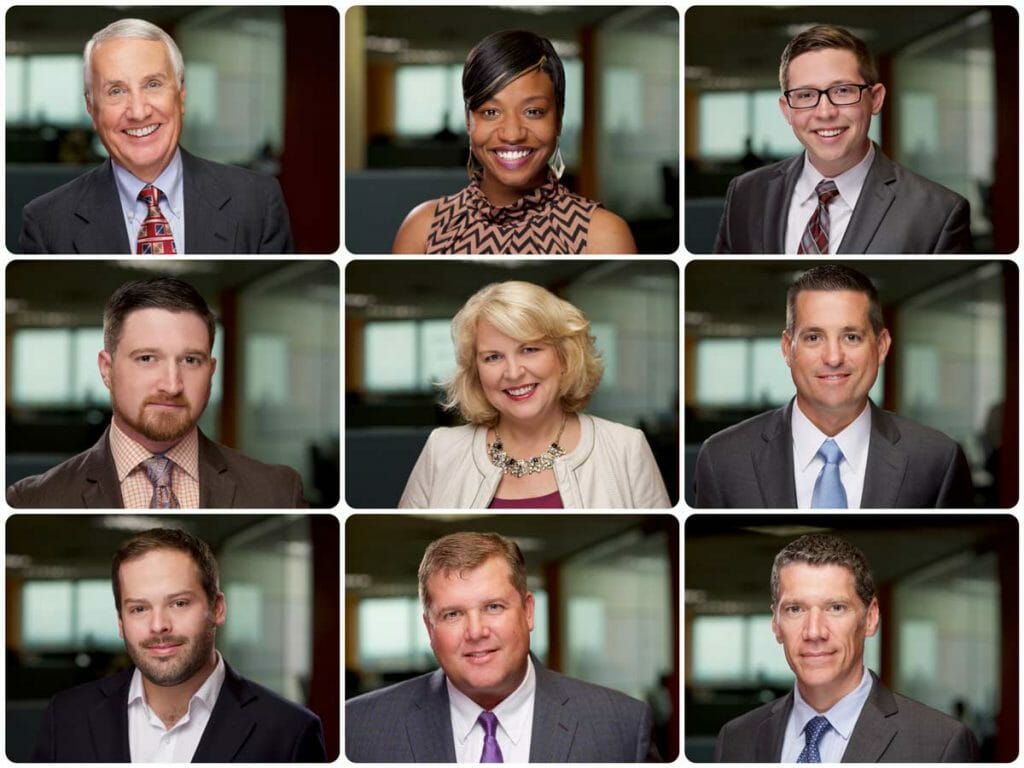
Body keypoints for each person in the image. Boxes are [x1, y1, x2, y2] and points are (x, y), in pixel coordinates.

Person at [346, 532, 659, 762]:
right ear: (430, 628)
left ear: (528, 612)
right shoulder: (359, 728)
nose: (476, 631)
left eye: (494, 607)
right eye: (453, 614)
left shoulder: (621, 726)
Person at [7, 277, 306, 508]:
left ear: (211, 371)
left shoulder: (278, 490)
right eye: (147, 359)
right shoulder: (32, 500)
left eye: (191, 360)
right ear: (106, 369)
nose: (172, 385)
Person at [32, 528, 326, 762]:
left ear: (218, 608)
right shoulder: (67, 717)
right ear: (121, 622)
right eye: (139, 609)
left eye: (179, 603)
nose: (159, 625)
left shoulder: (289, 732)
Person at [694, 264, 973, 508]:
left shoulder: (937, 459)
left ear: (881, 346)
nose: (833, 358)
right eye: (813, 337)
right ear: (787, 349)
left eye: (851, 337)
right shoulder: (723, 458)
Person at [19, 18, 293, 254]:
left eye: (153, 84)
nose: (138, 112)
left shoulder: (257, 202)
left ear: (181, 96)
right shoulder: (46, 223)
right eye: (116, 91)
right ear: (91, 109)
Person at [399, 281, 670, 508]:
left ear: (564, 357)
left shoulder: (626, 448)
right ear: (476, 371)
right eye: (493, 357)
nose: (514, 372)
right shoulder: (442, 450)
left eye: (530, 350)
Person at [714, 534, 979, 762]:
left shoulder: (940, 745)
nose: (814, 631)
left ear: (871, 618)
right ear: (776, 623)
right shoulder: (736, 739)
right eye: (795, 609)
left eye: (836, 608)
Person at [713, 24, 972, 254]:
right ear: (786, 110)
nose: (825, 112)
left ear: (876, 99)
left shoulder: (938, 213)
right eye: (805, 95)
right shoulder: (745, 193)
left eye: (843, 90)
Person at [392, 29, 637, 254]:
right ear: (468, 121)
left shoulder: (602, 235)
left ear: (558, 119)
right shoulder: (424, 228)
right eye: (491, 112)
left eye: (533, 111)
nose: (512, 134)